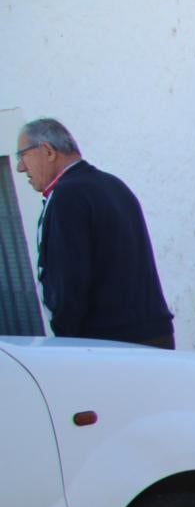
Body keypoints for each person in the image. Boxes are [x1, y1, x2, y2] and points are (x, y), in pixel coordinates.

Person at [17, 118, 173, 348]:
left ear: (48, 151)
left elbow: (67, 285)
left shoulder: (65, 197)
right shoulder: (114, 185)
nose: (20, 167)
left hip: (109, 346)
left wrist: (66, 344)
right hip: (154, 335)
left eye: (22, 155)